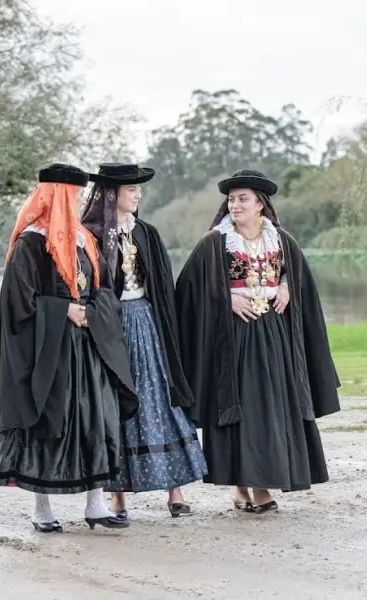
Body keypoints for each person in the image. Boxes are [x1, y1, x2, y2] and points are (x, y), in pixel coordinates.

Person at [0, 163, 138, 532]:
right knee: (50, 425)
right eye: (73, 195)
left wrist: (91, 314)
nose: (78, 201)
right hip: (49, 353)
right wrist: (63, 310)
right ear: (55, 197)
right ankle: (42, 509)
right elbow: (18, 304)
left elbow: (104, 290)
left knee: (97, 419)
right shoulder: (30, 244)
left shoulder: (84, 241)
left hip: (88, 349)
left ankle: (96, 504)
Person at [174, 169, 340, 513]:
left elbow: (299, 278)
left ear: (260, 204)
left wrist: (286, 287)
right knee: (243, 410)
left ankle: (262, 483)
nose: (235, 205)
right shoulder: (215, 242)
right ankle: (243, 487)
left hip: (274, 333)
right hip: (233, 337)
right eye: (231, 199)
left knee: (271, 408)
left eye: (243, 199)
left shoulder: (281, 240)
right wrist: (225, 300)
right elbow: (188, 289)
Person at [81, 162, 207, 519]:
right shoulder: (91, 235)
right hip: (111, 326)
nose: (138, 195)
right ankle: (117, 495)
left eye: (138, 189)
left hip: (147, 324)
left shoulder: (146, 233)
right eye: (131, 189)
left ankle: (175, 490)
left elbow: (163, 286)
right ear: (112, 193)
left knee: (160, 397)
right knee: (117, 401)